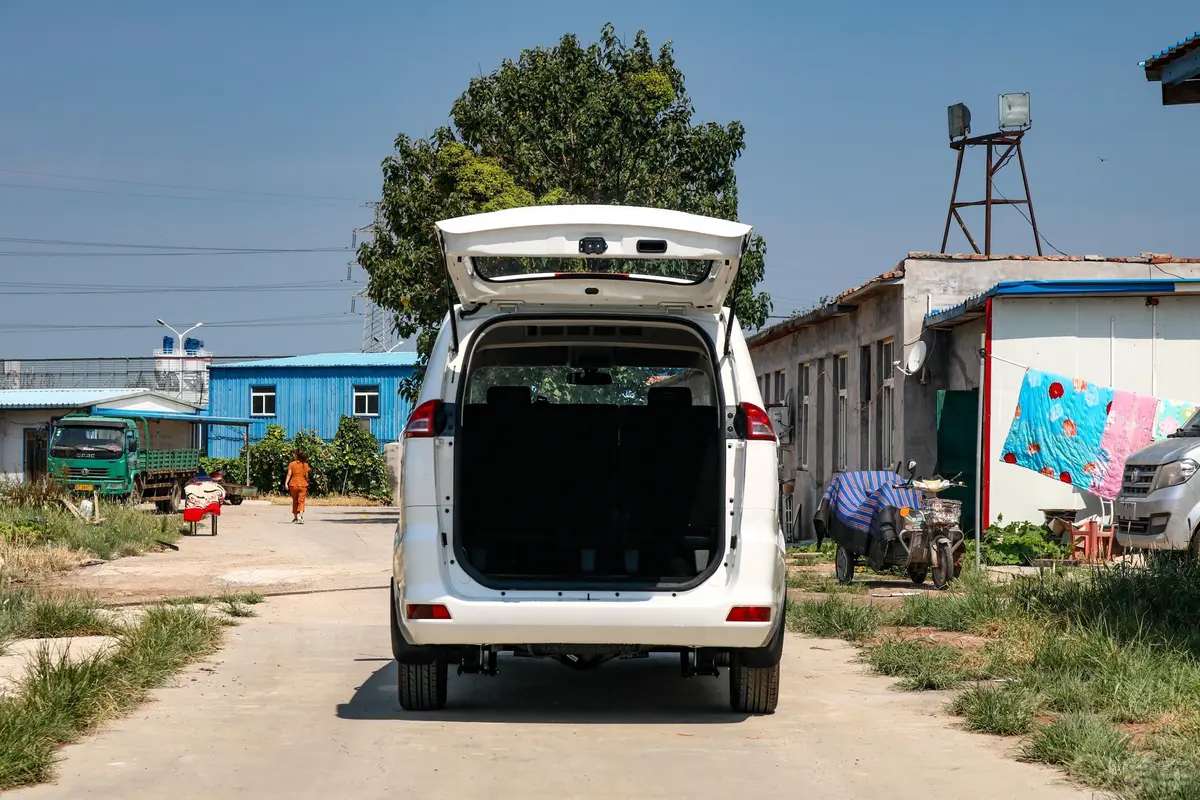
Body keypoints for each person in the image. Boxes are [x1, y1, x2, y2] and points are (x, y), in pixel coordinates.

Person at [284, 451, 311, 524]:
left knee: (295, 500)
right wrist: (307, 481)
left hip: (293, 484)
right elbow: (307, 476)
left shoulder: (292, 464)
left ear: (296, 456)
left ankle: (295, 517)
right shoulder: (305, 464)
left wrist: (286, 483)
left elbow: (289, 474)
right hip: (303, 484)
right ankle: (300, 516)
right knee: (301, 501)